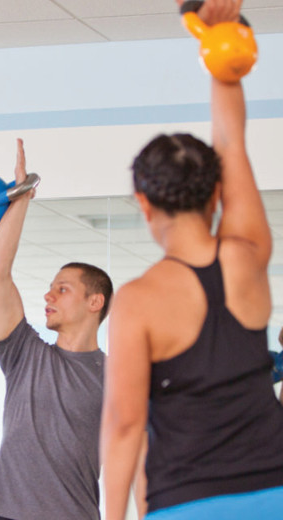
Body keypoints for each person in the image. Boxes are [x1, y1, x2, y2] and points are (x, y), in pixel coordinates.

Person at [100, 1, 283, 518]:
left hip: (191, 502)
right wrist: (220, 40)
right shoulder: (247, 255)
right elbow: (232, 141)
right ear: (215, 193)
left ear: (143, 202)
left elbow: (124, 426)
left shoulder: (137, 301)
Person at [0, 138, 113, 520]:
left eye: (62, 288)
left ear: (95, 302)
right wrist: (21, 197)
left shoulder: (117, 376)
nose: (48, 294)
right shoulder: (25, 354)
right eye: (51, 287)